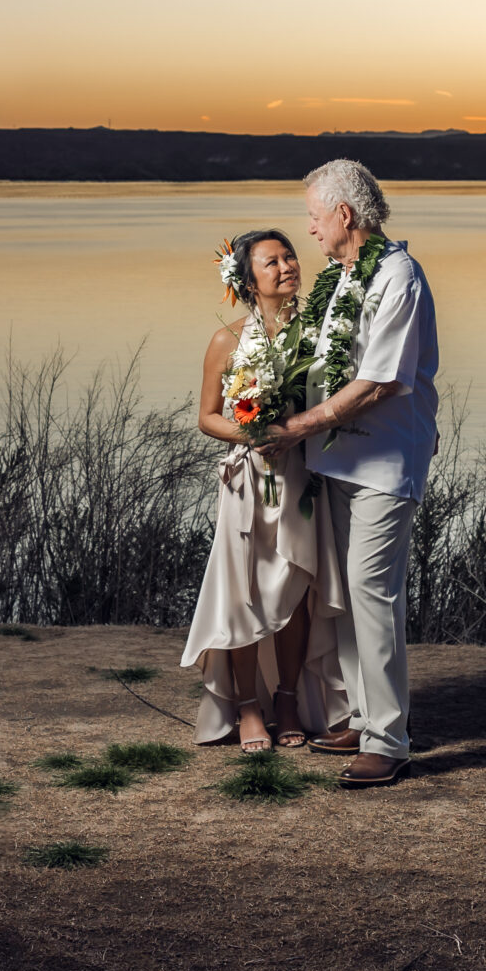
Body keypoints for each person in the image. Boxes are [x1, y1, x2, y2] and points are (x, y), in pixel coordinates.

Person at [272, 160, 439, 789]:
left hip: (384, 463)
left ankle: (389, 740)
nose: (310, 231)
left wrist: (299, 426)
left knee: (374, 594)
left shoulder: (399, 276)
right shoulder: (340, 279)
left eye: (314, 217)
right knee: (343, 594)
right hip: (335, 461)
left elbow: (382, 381)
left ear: (344, 214)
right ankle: (362, 715)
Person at [180, 228, 348, 751]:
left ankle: (290, 698)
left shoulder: (323, 337)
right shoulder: (227, 339)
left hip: (301, 477)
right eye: (270, 262)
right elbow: (208, 418)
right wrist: (257, 433)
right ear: (247, 281)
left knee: (297, 587)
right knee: (243, 592)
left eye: (289, 256)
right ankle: (247, 705)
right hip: (248, 483)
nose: (286, 266)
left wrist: (297, 432)